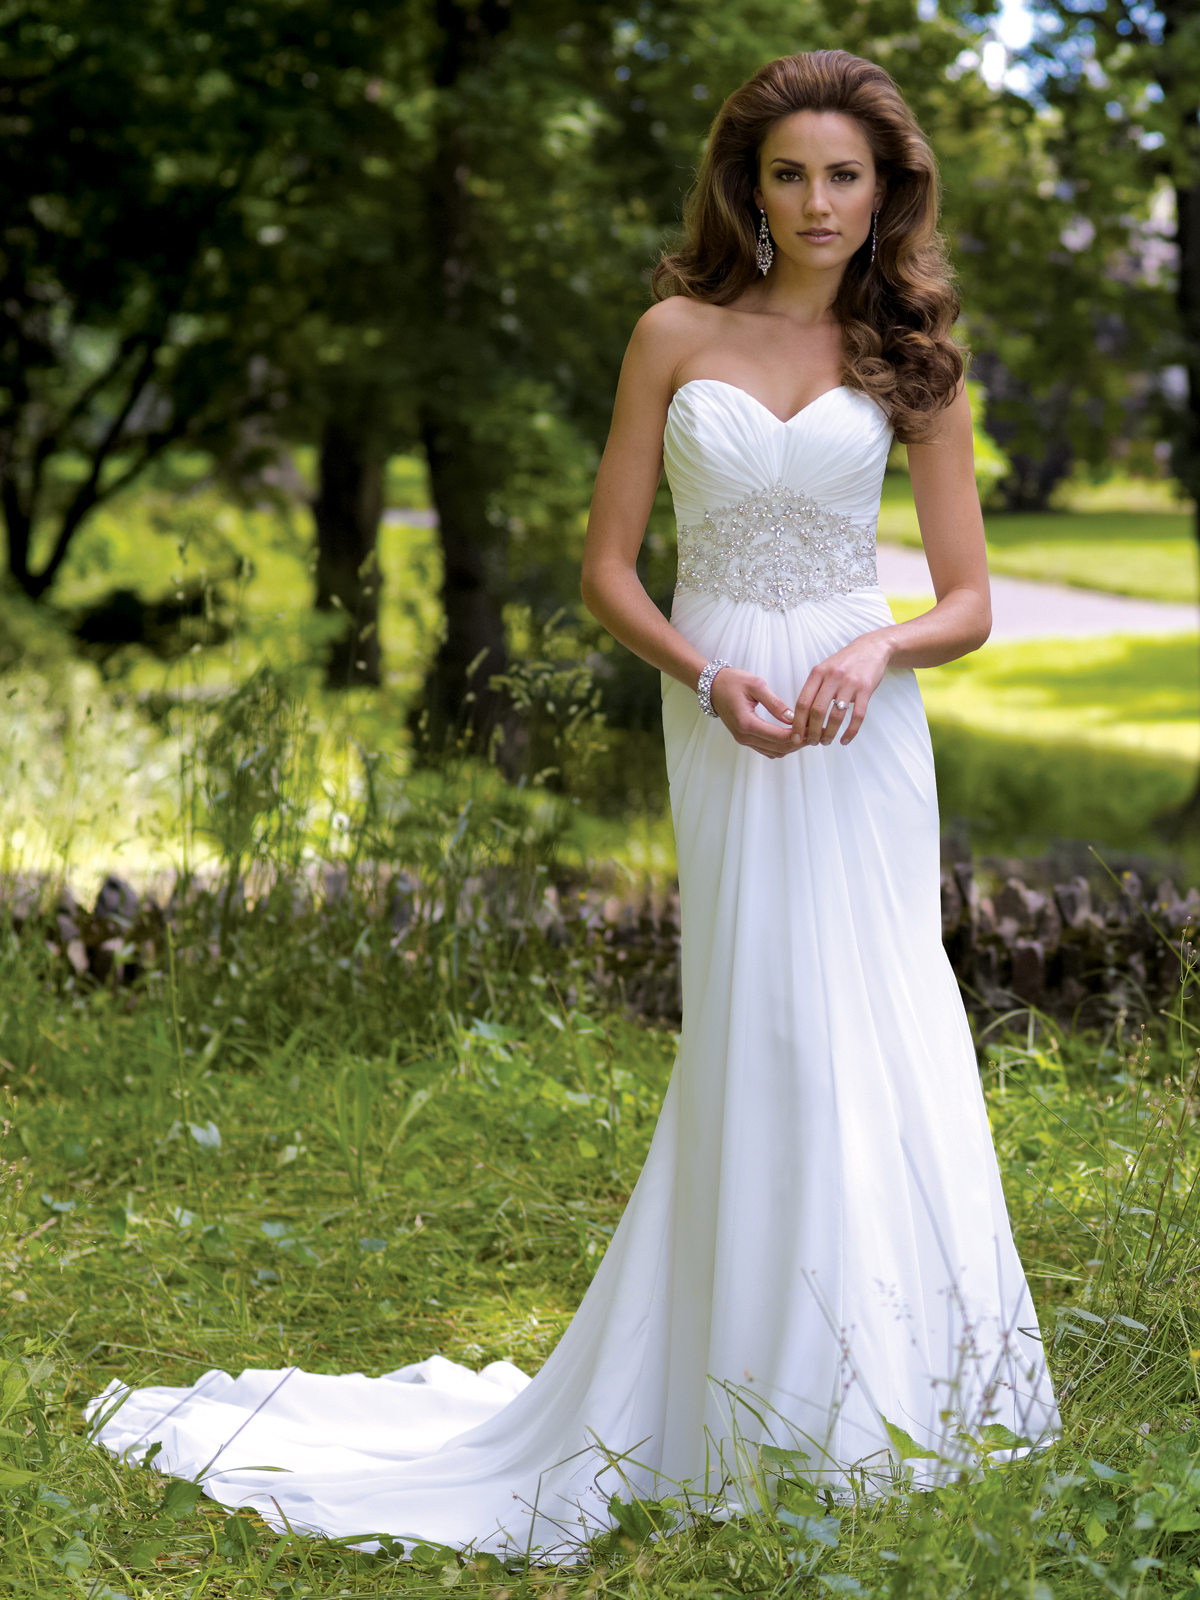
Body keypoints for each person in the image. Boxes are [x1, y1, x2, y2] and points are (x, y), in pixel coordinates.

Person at [90, 49, 1058, 1555]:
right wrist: (704, 671)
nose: (817, 202)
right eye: (790, 173)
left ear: (887, 191)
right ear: (748, 183)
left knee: (880, 1012)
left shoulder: (911, 350)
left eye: (845, 175)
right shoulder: (673, 332)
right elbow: (608, 566)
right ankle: (741, 1392)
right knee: (768, 1024)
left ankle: (900, 1387)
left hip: (864, 722)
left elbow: (973, 599)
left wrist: (879, 643)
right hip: (725, 703)